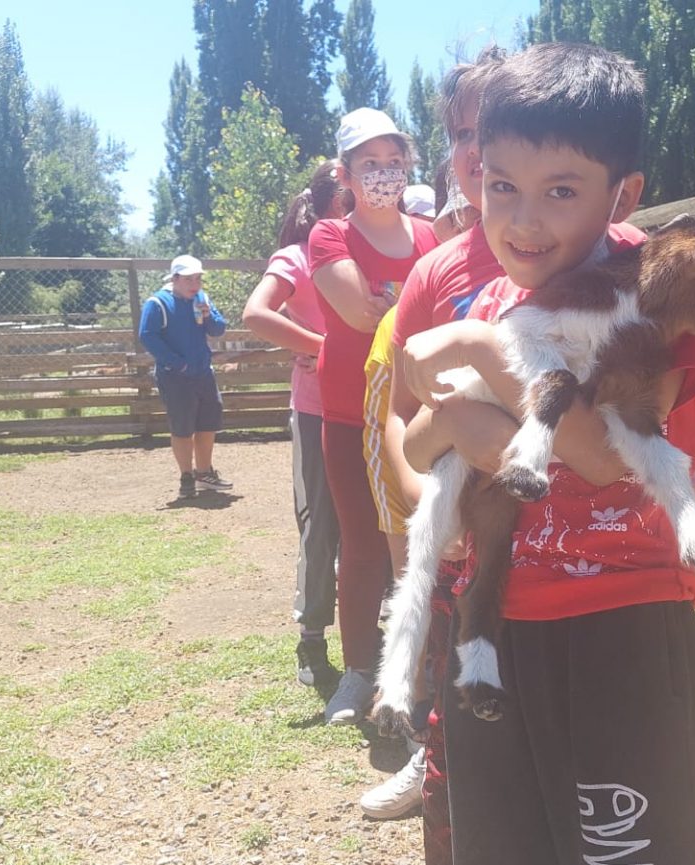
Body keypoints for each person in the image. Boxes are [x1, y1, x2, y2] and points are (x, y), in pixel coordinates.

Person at [397, 42, 695, 863]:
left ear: (625, 192)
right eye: (501, 185)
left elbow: (607, 453)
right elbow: (409, 457)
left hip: (621, 629)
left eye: (561, 191)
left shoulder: (655, 298)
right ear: (472, 174)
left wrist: (477, 348)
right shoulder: (493, 297)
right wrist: (459, 432)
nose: (523, 218)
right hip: (495, 627)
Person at [358, 45, 509, 842]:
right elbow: (396, 408)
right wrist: (427, 508)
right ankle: (432, 765)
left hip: (561, 569)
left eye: (498, 127)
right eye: (460, 133)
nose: (477, 151)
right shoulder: (438, 271)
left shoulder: (591, 253)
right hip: (462, 557)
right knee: (459, 761)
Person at [308, 107, 439, 726]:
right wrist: (399, 302)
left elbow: (423, 310)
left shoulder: (429, 237)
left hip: (420, 409)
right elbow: (362, 314)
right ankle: (361, 672)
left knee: (428, 539)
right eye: (370, 164)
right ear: (346, 173)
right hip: (348, 413)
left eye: (394, 161)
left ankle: (425, 666)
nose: (385, 173)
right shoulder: (329, 236)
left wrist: (390, 299)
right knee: (360, 544)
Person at [241, 160, 349, 687]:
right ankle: (311, 639)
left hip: (369, 408)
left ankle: (366, 634)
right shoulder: (297, 258)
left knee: (368, 525)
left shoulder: (366, 255)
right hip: (316, 410)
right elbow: (256, 313)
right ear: (335, 203)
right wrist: (321, 347)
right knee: (320, 523)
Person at [138, 254, 232, 499]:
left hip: (203, 373)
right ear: (175, 278)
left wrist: (210, 315)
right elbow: (148, 336)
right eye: (190, 279)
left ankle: (204, 473)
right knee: (182, 428)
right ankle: (186, 476)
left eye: (198, 278)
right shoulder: (157, 303)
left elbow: (218, 329)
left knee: (208, 423)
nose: (195, 284)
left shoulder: (202, 299)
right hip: (175, 377)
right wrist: (176, 364)